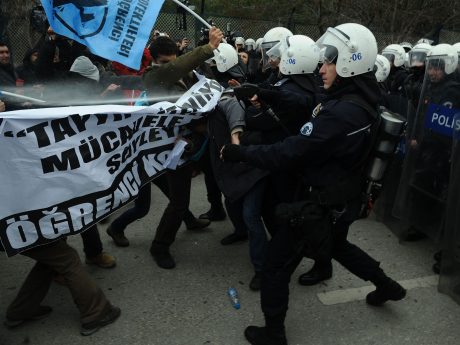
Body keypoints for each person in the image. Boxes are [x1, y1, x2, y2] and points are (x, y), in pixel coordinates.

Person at [221, 23, 406, 345]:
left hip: (318, 202)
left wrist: (241, 153)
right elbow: (308, 101)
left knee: (277, 266)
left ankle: (274, 332)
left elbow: (289, 151)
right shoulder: (357, 96)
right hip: (339, 197)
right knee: (337, 246)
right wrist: (264, 91)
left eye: (329, 62)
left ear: (349, 63)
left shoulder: (342, 113)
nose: (321, 68)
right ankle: (387, 285)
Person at [108, 28, 224, 269]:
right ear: (153, 60)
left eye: (174, 59)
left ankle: (190, 221)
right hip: (161, 149)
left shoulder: (189, 72)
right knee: (156, 204)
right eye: (164, 62)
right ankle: (158, 246)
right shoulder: (152, 77)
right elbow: (172, 71)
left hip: (186, 144)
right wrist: (207, 48)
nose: (170, 65)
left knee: (178, 195)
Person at [4, 240, 120, 335]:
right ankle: (96, 312)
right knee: (67, 259)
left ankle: (22, 309)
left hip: (12, 227)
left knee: (51, 256)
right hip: (20, 226)